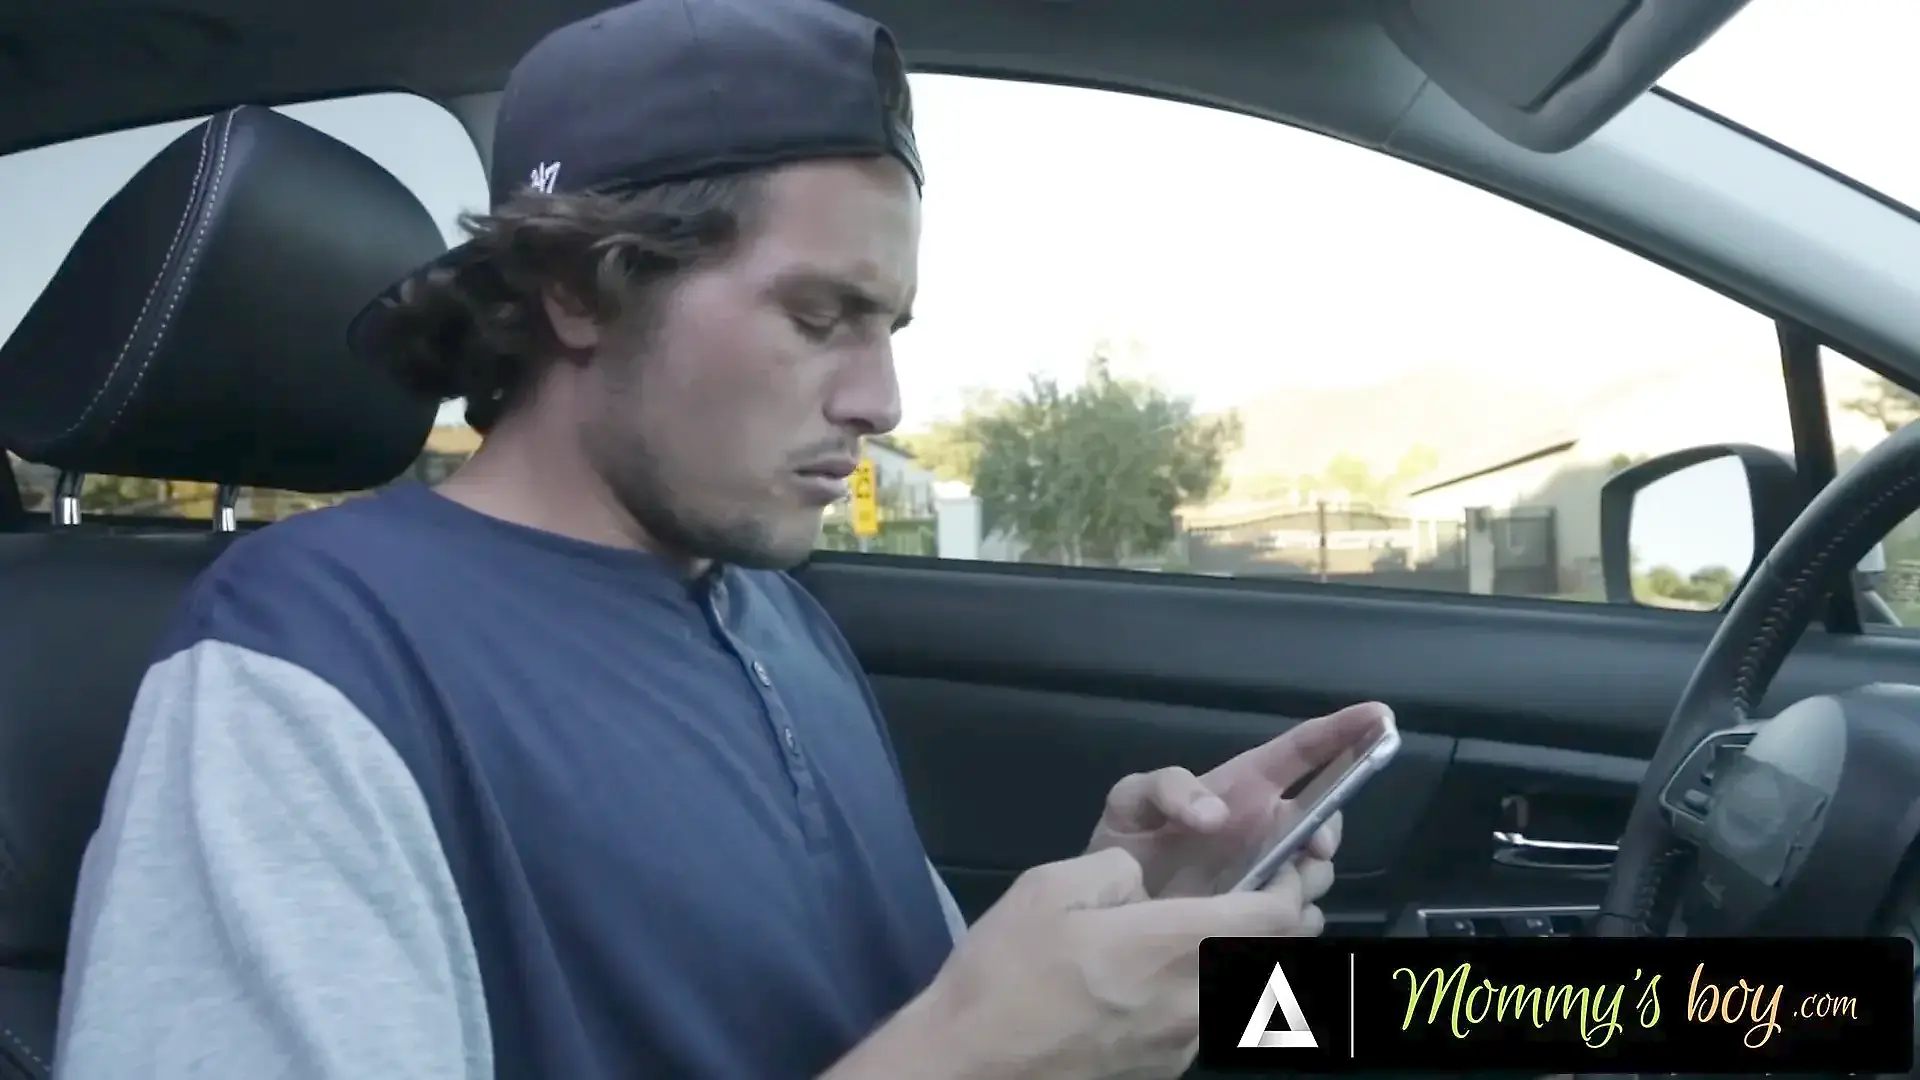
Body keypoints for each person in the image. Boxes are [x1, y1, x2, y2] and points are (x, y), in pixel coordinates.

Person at [51, 1, 1392, 1078]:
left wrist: (1116, 912)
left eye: (888, 328)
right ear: (580, 289)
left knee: (1487, 1014)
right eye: (819, 317)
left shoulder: (774, 615)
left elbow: (892, 1018)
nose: (883, 401)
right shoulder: (305, 669)